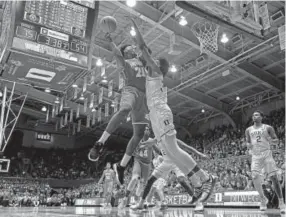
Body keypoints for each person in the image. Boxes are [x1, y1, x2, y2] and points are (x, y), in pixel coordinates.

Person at [126, 18, 216, 212]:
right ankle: (199, 182)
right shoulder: (152, 73)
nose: (151, 60)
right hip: (155, 115)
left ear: (158, 65)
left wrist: (135, 26)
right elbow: (142, 53)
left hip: (160, 111)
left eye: (154, 60)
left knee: (173, 149)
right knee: (171, 152)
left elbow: (143, 48)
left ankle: (206, 179)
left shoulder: (157, 70)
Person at [88, 33, 149, 181]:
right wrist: (111, 41)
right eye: (129, 49)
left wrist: (137, 40)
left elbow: (145, 49)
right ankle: (100, 143)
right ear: (125, 53)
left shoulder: (140, 60)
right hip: (131, 90)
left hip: (144, 97)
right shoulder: (124, 62)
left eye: (132, 48)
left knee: (139, 134)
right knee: (124, 109)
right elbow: (117, 53)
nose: (132, 50)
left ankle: (121, 166)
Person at [131, 139, 209, 211]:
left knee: (182, 181)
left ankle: (199, 203)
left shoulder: (171, 136)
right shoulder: (158, 139)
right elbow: (160, 153)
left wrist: (199, 153)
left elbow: (186, 146)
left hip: (177, 162)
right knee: (150, 181)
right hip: (167, 162)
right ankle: (141, 203)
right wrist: (152, 145)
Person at [245, 110, 285, 213]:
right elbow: (248, 143)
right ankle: (263, 199)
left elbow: (276, 140)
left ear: (261, 117)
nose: (254, 116)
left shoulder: (268, 128)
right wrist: (248, 146)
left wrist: (271, 140)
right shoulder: (248, 130)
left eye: (257, 115)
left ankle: (281, 202)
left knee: (274, 178)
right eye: (253, 115)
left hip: (266, 153)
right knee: (254, 176)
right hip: (255, 155)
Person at [118, 126, 153, 209]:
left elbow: (158, 150)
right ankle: (125, 199)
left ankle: (136, 201)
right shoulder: (136, 140)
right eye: (145, 129)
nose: (146, 131)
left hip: (147, 165)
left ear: (149, 132)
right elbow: (129, 151)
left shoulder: (151, 141)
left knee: (142, 184)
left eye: (148, 130)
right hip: (138, 161)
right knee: (134, 178)